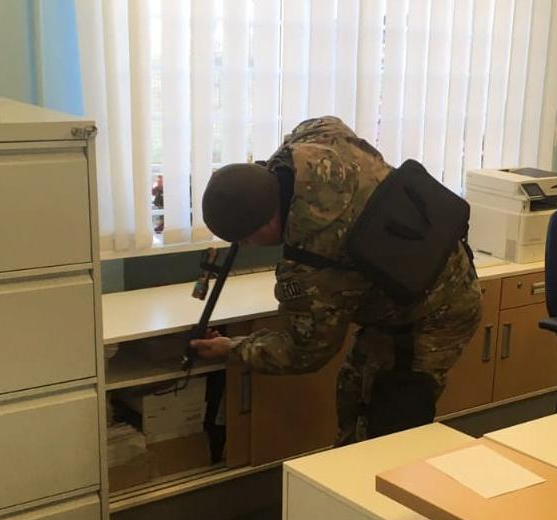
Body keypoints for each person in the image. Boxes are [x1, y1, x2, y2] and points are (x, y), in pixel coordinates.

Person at [190, 116, 482, 446]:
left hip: (436, 311)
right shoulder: (317, 137)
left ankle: (380, 469)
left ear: (266, 223)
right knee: (353, 386)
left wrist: (233, 348)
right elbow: (324, 124)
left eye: (246, 239)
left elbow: (305, 352)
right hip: (422, 265)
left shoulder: (313, 262)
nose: (246, 247)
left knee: (384, 423)